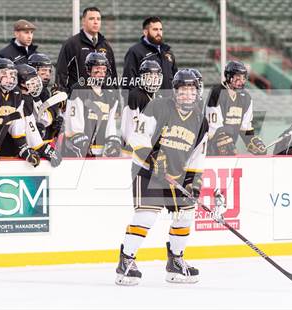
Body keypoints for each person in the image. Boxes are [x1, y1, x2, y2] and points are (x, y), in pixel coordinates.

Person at [115, 69, 208, 286]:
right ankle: (126, 261)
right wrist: (154, 157)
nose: (187, 94)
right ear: (175, 92)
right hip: (147, 170)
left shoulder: (200, 121)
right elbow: (137, 137)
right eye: (183, 90)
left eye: (191, 90)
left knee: (185, 214)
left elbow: (197, 156)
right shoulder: (158, 106)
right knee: (146, 216)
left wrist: (194, 182)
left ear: (197, 92)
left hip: (176, 174)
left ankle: (176, 261)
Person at [63, 52, 121, 157]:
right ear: (89, 70)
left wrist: (112, 139)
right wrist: (80, 141)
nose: (101, 73)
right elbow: (73, 122)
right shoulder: (79, 89)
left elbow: (111, 122)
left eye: (104, 70)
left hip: (100, 149)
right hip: (78, 148)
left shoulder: (111, 92)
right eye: (97, 70)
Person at [205, 61, 266, 156]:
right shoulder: (217, 92)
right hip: (210, 148)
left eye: (243, 77)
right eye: (237, 77)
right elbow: (213, 129)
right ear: (228, 77)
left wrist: (251, 140)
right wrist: (224, 141)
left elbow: (245, 128)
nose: (241, 81)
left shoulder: (246, 97)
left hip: (230, 146)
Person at [56, 7, 117, 93]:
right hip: (78, 98)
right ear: (83, 21)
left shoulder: (106, 46)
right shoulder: (71, 44)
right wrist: (62, 96)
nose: (96, 22)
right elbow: (61, 73)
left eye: (98, 19)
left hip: (102, 99)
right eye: (91, 19)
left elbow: (113, 75)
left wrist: (115, 96)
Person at [15, 63, 61, 166]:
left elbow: (30, 124)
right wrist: (42, 148)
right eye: (32, 80)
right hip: (9, 152)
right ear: (21, 83)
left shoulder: (27, 98)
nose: (36, 82)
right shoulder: (18, 99)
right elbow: (24, 127)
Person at [122, 16, 177, 92]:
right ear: (145, 32)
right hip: (147, 102)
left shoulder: (168, 52)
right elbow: (128, 82)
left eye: (160, 29)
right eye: (155, 29)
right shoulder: (135, 51)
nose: (159, 33)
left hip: (168, 101)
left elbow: (175, 79)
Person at [121, 59, 163, 154]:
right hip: (134, 148)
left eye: (155, 76)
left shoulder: (159, 97)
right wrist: (134, 146)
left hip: (149, 145)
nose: (153, 79)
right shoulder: (135, 95)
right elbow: (129, 127)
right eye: (149, 76)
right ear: (142, 77)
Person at [28, 53, 64, 143]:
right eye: (43, 71)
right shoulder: (28, 91)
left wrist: (55, 126)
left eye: (49, 71)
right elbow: (44, 119)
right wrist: (55, 102)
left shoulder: (44, 91)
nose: (47, 75)